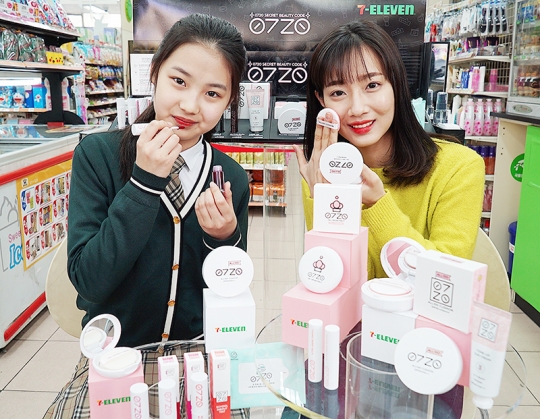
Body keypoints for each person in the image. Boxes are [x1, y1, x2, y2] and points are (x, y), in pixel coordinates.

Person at [45, 13, 249, 418]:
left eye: (213, 93)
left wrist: (225, 239)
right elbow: (89, 280)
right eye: (179, 81)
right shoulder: (98, 157)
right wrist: (143, 184)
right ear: (154, 73)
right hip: (116, 355)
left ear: (229, 102)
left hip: (198, 354)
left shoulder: (231, 178)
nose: (190, 105)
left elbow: (231, 293)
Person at [294, 21, 485, 279]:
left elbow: (445, 278)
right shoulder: (322, 173)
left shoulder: (458, 168)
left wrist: (378, 204)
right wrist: (325, 198)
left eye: (372, 85)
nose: (357, 108)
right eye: (338, 92)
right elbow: (335, 277)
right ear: (322, 100)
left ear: (396, 83)